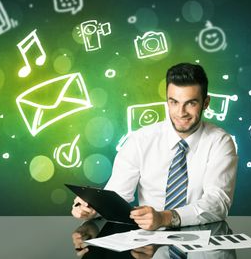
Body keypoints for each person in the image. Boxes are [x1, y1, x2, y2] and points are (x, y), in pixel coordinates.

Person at [71, 62, 238, 230]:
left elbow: (218, 203)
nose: (181, 112)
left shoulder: (220, 142)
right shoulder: (140, 140)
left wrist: (165, 217)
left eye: (191, 103)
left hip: (202, 238)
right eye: (174, 102)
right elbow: (118, 195)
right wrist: (94, 208)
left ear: (206, 103)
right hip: (150, 243)